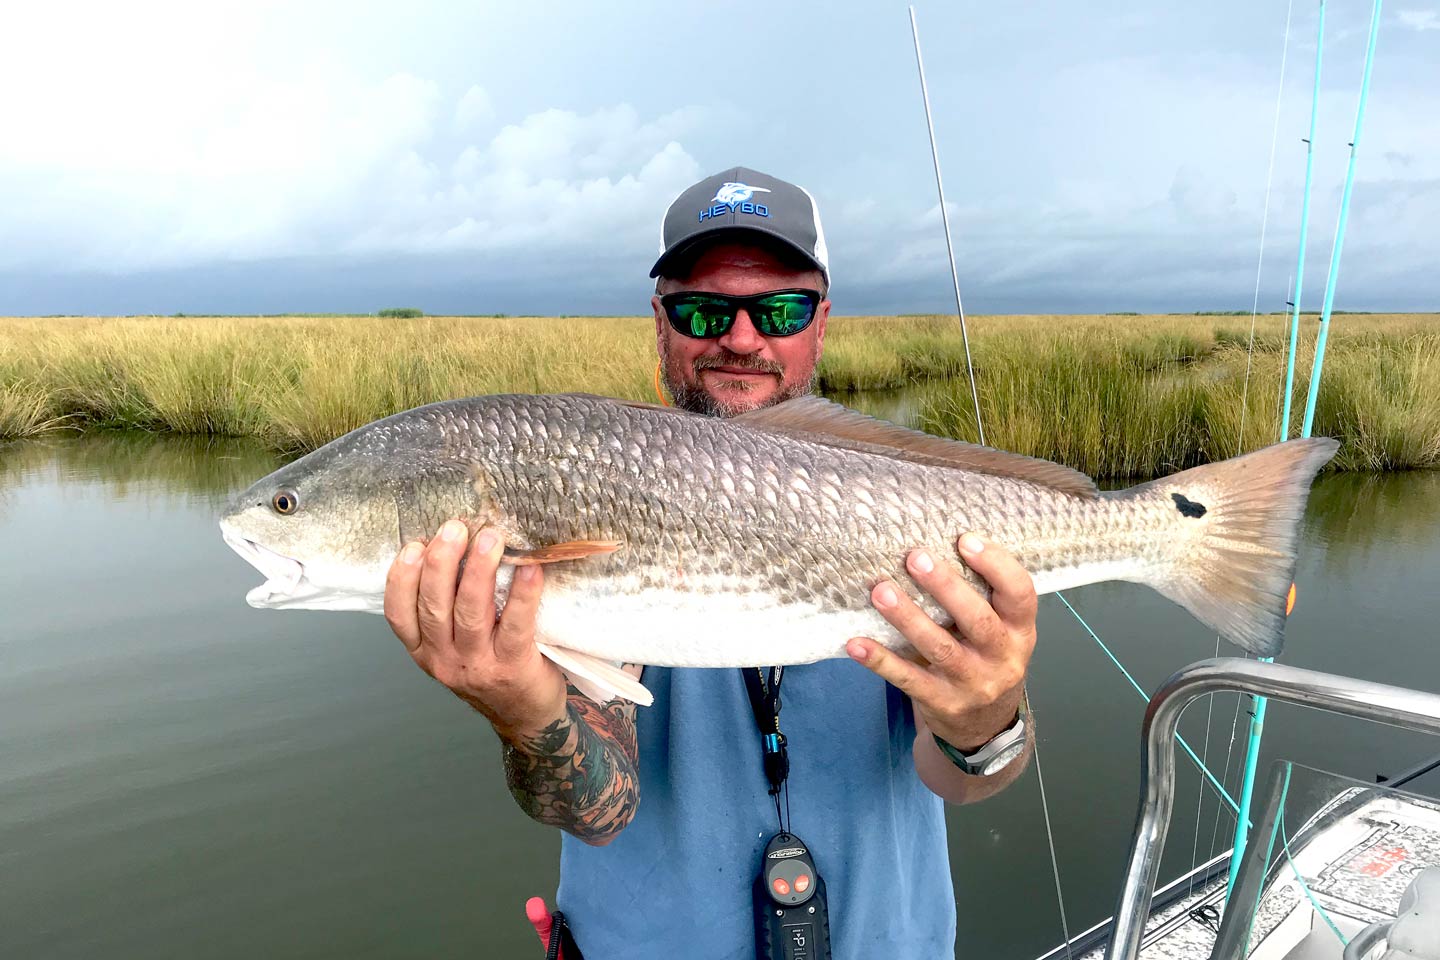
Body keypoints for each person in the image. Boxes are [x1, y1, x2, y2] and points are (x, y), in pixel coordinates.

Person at [383, 167, 1039, 958]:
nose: (740, 337)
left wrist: (983, 720)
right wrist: (522, 713)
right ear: (660, 322)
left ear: (821, 323)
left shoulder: (905, 504)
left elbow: (964, 779)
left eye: (781, 310)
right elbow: (598, 810)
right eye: (702, 309)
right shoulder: (588, 484)